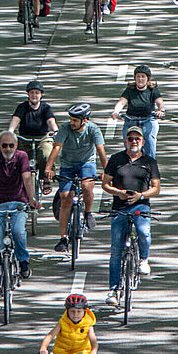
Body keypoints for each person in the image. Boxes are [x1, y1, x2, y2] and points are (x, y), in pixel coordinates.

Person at [102, 126, 162, 304]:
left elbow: (156, 188)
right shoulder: (116, 159)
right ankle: (113, 290)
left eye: (137, 138)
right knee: (115, 250)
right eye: (130, 138)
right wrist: (118, 192)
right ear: (125, 141)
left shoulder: (150, 162)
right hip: (119, 207)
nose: (133, 141)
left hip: (141, 206)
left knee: (143, 232)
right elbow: (105, 183)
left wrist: (141, 195)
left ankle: (143, 259)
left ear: (143, 142)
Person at [0, 131, 39, 298]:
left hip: (18, 201)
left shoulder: (22, 156)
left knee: (18, 232)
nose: (8, 148)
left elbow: (27, 178)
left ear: (16, 146)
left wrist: (31, 199)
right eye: (4, 145)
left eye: (11, 145)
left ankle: (23, 260)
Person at [44, 104, 108, 252]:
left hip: (87, 163)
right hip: (68, 164)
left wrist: (106, 171)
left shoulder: (93, 129)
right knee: (65, 196)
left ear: (84, 121)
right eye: (71, 119)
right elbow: (56, 147)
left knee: (86, 186)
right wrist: (48, 168)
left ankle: (88, 213)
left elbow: (100, 151)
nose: (71, 122)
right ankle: (63, 238)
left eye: (75, 120)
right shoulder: (65, 128)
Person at [110, 65, 165, 158]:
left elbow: (160, 103)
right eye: (138, 76)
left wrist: (161, 111)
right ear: (135, 78)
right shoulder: (129, 90)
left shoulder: (153, 90)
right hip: (131, 120)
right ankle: (129, 163)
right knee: (129, 142)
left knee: (149, 140)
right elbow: (121, 102)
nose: (140, 79)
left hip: (148, 119)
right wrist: (116, 111)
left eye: (143, 76)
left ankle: (150, 165)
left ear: (148, 79)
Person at [8, 80, 58, 169]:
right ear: (28, 94)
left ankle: (46, 179)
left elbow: (51, 121)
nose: (34, 95)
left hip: (43, 139)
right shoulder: (22, 107)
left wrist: (55, 131)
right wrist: (10, 131)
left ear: (41, 95)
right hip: (24, 139)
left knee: (46, 155)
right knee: (16, 158)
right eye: (32, 93)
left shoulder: (46, 108)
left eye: (37, 93)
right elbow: (16, 119)